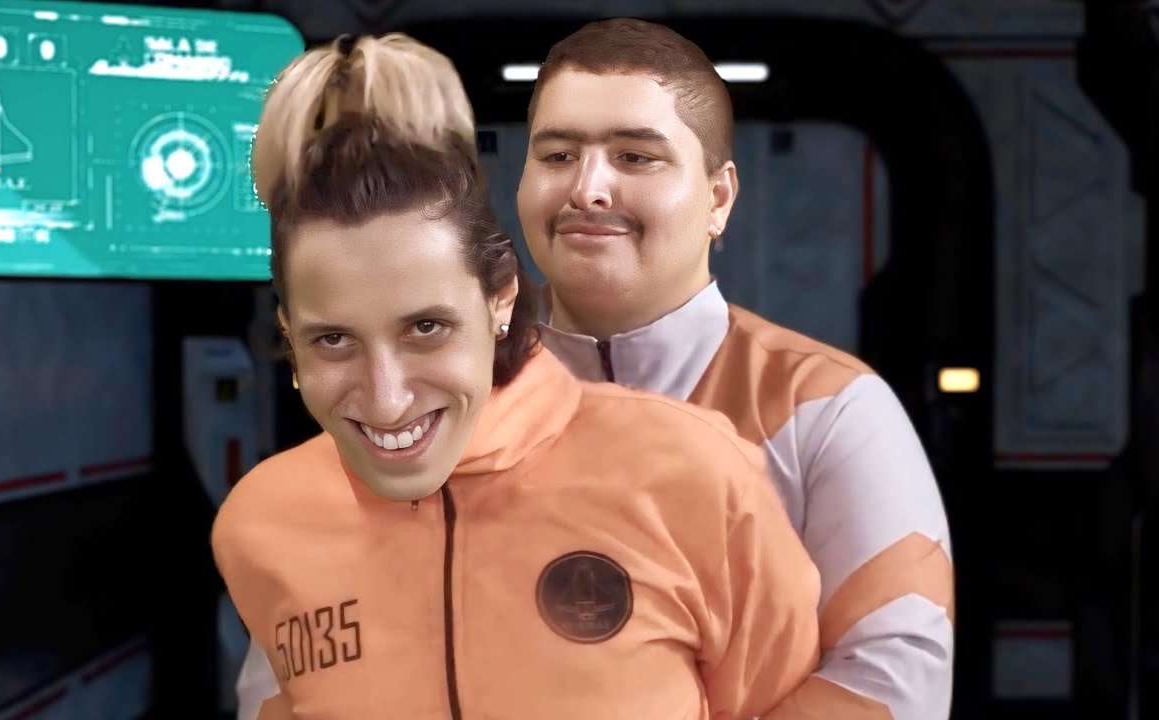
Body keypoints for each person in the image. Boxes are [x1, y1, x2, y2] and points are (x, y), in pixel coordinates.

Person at [215, 32, 822, 720]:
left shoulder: (695, 475)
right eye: (333, 339)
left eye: (426, 327)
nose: (386, 400)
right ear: (290, 337)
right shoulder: (261, 520)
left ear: (500, 298)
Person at [515, 18, 955, 719]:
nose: (587, 188)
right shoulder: (458, 395)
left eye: (636, 157)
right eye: (558, 154)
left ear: (718, 198)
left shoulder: (830, 408)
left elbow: (894, 679)